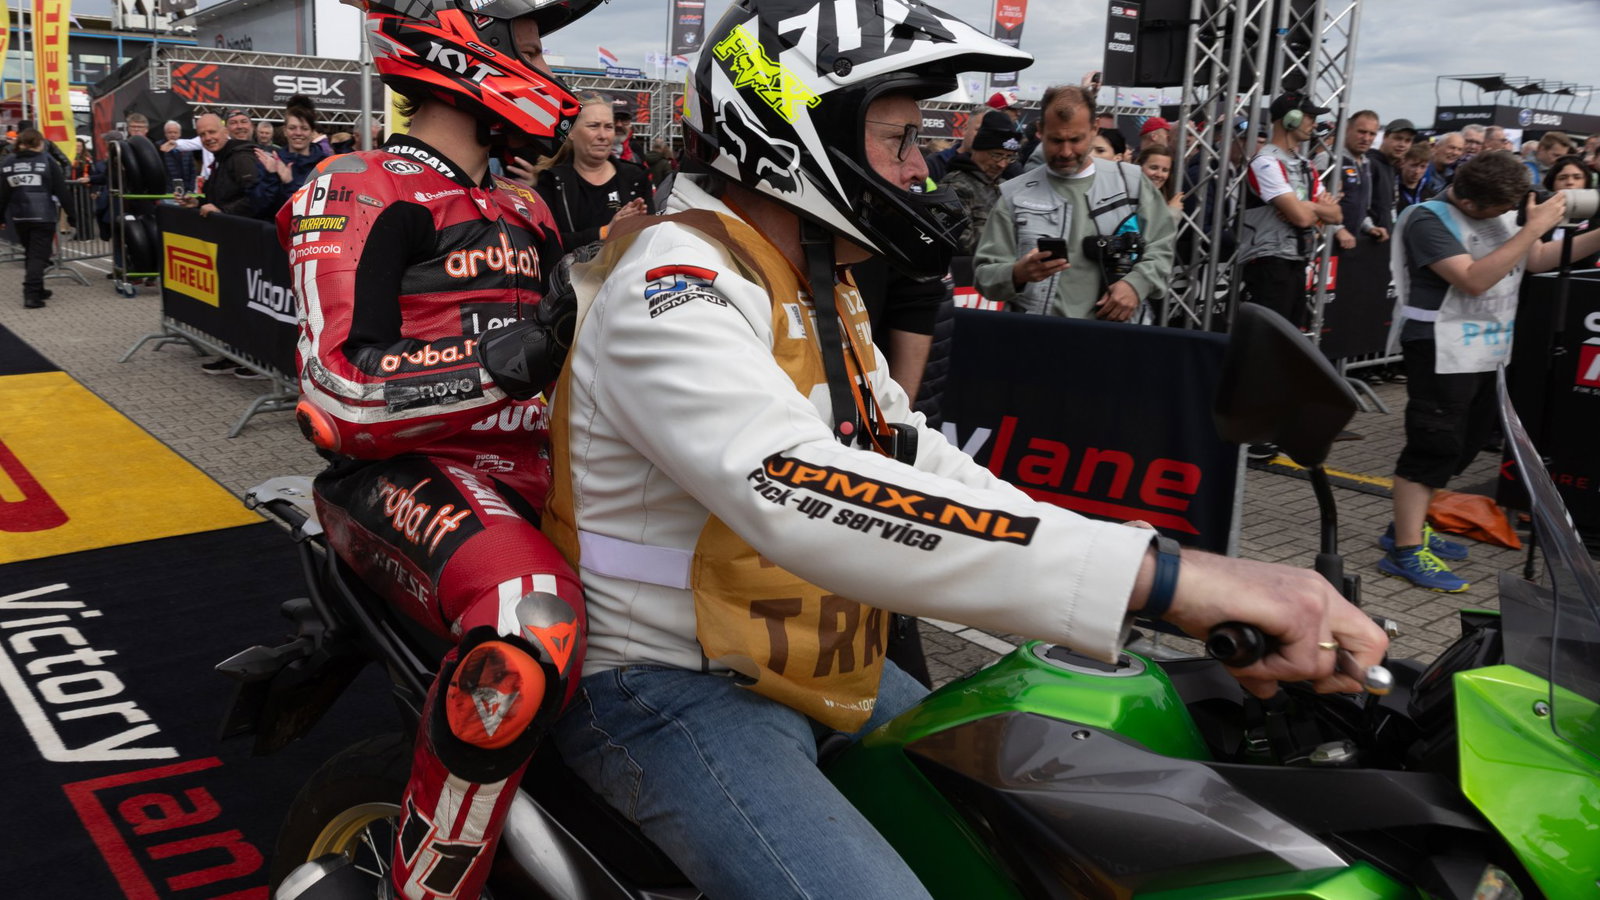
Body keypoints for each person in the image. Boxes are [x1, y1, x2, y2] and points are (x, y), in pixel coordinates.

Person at [543, 4, 1386, 899]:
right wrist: (1170, 584)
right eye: (900, 140)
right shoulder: (673, 284)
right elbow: (796, 491)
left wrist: (1154, 567)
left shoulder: (807, 277)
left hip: (812, 662)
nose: (920, 168)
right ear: (791, 137)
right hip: (667, 683)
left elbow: (912, 460)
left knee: (1040, 825)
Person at [271, 1, 602, 898]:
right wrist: (517, 354)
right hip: (405, 474)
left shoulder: (525, 207)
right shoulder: (359, 184)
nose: (548, 69)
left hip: (538, 476)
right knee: (529, 616)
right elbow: (337, 391)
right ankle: (423, 884)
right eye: (532, 47)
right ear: (465, 49)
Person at [1381, 150, 1600, 591]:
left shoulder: (1499, 210)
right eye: (1501, 209)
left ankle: (1407, 525)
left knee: (1467, 442)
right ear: (1470, 202)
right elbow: (1474, 278)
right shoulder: (1427, 219)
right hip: (1440, 348)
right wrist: (1533, 227)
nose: (1508, 214)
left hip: (1487, 348)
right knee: (1433, 445)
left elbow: (1537, 259)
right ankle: (1404, 549)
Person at [974, 83, 1175, 320]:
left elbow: (1162, 247)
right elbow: (984, 275)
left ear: (1095, 129)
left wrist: (1136, 284)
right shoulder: (1015, 193)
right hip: (1037, 334)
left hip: (1116, 334)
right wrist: (1017, 273)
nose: (1066, 151)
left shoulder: (1132, 182)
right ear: (1040, 131)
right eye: (1056, 140)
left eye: (1075, 140)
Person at [1235, 91, 1343, 329]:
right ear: (1290, 118)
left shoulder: (1305, 164)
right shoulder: (1265, 162)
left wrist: (1309, 207)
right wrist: (1313, 210)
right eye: (1309, 116)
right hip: (1268, 263)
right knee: (1268, 339)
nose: (1314, 123)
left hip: (1296, 261)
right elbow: (1301, 218)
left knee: (1290, 339)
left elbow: (1336, 215)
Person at [532, 91, 652, 248]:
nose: (603, 135)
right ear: (571, 132)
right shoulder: (552, 181)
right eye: (593, 126)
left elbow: (652, 238)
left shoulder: (636, 177)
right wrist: (605, 232)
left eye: (608, 127)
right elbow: (549, 243)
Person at [1, 129, 75, 309]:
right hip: (43, 215)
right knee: (38, 256)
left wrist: (0, 216)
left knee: (31, 252)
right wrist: (72, 215)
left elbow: (2, 193)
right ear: (40, 143)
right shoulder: (46, 160)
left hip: (20, 216)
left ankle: (39, 288)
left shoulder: (8, 162)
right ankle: (31, 294)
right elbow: (62, 191)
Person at [940, 110, 1019, 256]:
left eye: (1009, 157)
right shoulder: (955, 186)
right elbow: (957, 240)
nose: (1002, 164)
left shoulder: (1005, 186)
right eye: (997, 155)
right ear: (978, 149)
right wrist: (1012, 239)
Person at [247, 104, 329, 219]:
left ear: (312, 132)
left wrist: (289, 184)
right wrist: (271, 176)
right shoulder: (272, 162)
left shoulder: (326, 165)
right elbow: (257, 207)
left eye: (304, 128)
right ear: (285, 131)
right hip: (275, 229)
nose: (298, 133)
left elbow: (323, 208)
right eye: (292, 128)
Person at [1333, 110, 1388, 250]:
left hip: (1351, 244)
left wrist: (1369, 227)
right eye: (1361, 132)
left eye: (1372, 134)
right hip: (1326, 244)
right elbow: (1314, 204)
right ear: (1347, 130)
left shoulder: (1366, 163)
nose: (1366, 138)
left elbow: (1361, 209)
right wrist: (1337, 229)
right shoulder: (1330, 159)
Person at [191, 113, 258, 218]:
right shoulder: (221, 159)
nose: (207, 138)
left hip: (242, 226)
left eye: (212, 132)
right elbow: (220, 198)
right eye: (202, 135)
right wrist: (197, 202)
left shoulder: (241, 158)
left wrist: (223, 211)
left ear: (225, 132)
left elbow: (257, 197)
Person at [1135, 145, 1184, 219]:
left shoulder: (1163, 197)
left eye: (1165, 170)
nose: (1159, 174)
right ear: (1139, 166)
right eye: (1154, 168)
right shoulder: (1129, 197)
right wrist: (1172, 212)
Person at [161, 120, 197, 194]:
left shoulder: (187, 147)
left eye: (175, 132)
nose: (173, 135)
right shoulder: (159, 148)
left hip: (186, 191)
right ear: (165, 134)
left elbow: (193, 171)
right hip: (167, 192)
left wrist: (191, 189)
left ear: (180, 134)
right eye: (170, 132)